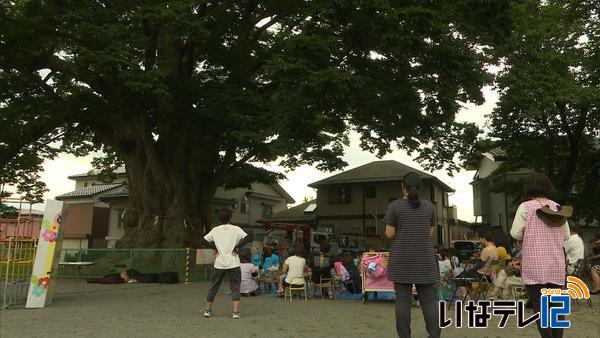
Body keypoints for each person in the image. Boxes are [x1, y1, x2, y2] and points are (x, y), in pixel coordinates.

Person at [510, 173, 570, 338]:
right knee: (556, 306)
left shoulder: (526, 207)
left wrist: (531, 235)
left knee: (540, 306)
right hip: (556, 264)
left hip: (534, 265)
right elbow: (566, 236)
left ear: (528, 188)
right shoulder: (557, 207)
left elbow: (515, 233)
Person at [384, 171, 441, 338]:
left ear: (403, 187)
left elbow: (389, 234)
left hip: (401, 260)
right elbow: (429, 233)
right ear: (421, 188)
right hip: (425, 260)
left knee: (403, 301)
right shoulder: (430, 207)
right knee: (429, 302)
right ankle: (435, 335)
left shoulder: (394, 207)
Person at [203, 208, 251, 319]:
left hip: (219, 262)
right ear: (230, 218)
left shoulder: (215, 230)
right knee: (235, 287)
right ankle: (235, 312)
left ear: (219, 219)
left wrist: (216, 248)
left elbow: (204, 240)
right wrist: (236, 247)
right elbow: (248, 238)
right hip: (233, 262)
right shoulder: (236, 229)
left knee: (214, 286)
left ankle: (207, 311)